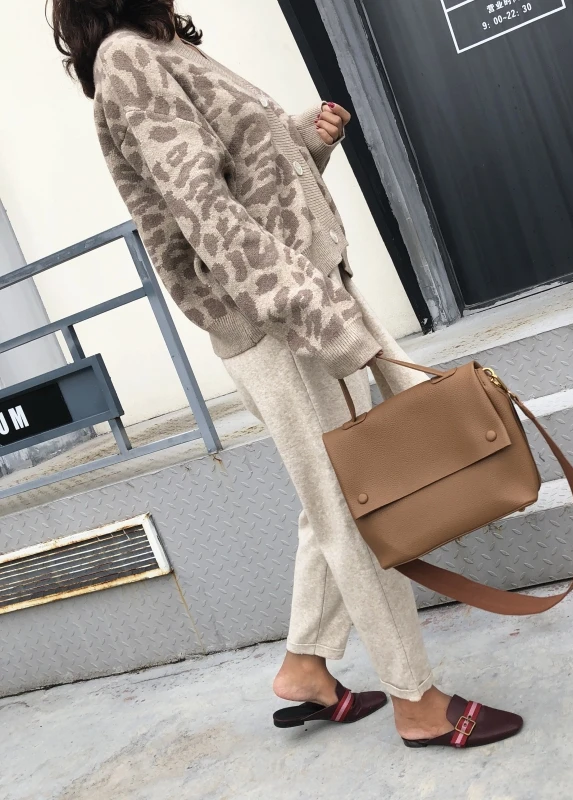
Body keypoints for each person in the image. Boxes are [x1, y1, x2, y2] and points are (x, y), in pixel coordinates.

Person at [50, 0, 522, 749]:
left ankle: (306, 665)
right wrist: (313, 311)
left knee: (330, 493)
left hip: (298, 298)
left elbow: (244, 180)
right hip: (282, 319)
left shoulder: (161, 47)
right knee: (354, 507)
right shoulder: (128, 59)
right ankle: (417, 703)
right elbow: (204, 211)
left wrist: (304, 140)